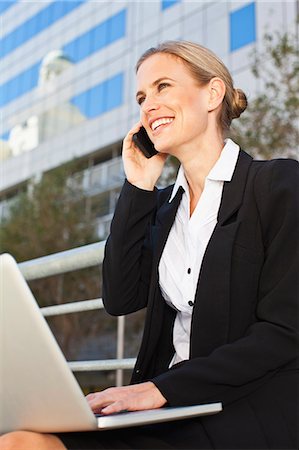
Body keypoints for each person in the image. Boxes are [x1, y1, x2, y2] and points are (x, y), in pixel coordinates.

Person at [1, 40, 298, 450]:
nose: (148, 105)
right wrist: (138, 186)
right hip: (167, 408)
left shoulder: (277, 185)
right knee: (20, 439)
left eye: (162, 87)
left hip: (244, 408)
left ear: (212, 94)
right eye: (142, 97)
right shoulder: (162, 209)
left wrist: (159, 390)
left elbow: (285, 331)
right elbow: (119, 298)